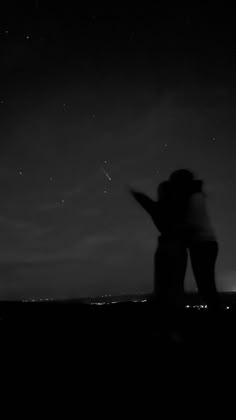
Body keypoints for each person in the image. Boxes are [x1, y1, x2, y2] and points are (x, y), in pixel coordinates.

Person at [128, 181, 188, 314]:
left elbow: (144, 201)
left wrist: (133, 192)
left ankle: (166, 322)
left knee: (162, 287)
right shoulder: (180, 207)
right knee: (177, 286)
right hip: (180, 248)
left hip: (166, 247)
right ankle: (177, 321)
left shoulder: (158, 208)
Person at [169, 169, 220, 312]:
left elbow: (193, 225)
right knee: (206, 285)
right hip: (205, 244)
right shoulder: (195, 196)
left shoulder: (194, 197)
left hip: (202, 245)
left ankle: (217, 317)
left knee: (206, 285)